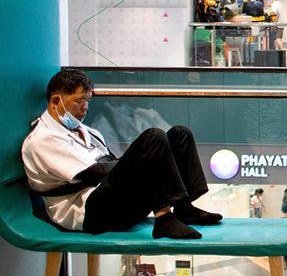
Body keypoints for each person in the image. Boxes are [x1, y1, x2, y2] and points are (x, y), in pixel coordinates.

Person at [21, 69, 222, 239]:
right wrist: (142, 159)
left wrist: (144, 161)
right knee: (154, 138)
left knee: (179, 134)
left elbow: (109, 166)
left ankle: (184, 209)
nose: (85, 108)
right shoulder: (42, 139)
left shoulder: (87, 131)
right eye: (79, 101)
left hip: (113, 200)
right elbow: (92, 173)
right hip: (89, 212)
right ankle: (164, 218)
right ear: (56, 100)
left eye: (88, 101)